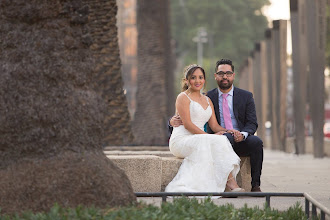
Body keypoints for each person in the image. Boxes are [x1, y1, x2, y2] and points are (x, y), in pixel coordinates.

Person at [169, 59, 263, 192]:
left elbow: (215, 125)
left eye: (200, 77)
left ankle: (255, 185)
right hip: (186, 138)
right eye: (193, 78)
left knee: (255, 142)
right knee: (218, 140)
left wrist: (232, 131)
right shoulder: (186, 97)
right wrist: (171, 122)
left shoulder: (207, 99)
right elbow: (187, 123)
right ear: (186, 80)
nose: (197, 81)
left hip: (210, 137)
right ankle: (232, 185)